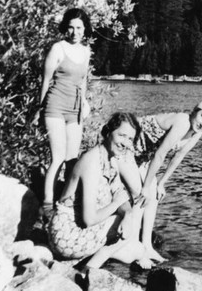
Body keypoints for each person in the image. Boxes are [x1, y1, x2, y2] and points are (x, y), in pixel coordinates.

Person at [119, 99, 202, 266]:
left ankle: (147, 245)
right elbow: (160, 154)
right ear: (195, 110)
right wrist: (146, 186)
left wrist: (161, 183)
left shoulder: (197, 132)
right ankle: (134, 247)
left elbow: (178, 156)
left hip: (144, 156)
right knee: (142, 195)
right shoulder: (182, 122)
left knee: (154, 196)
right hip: (128, 149)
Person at [47, 112, 149, 269]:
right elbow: (89, 219)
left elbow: (120, 195)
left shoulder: (111, 160)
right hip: (66, 233)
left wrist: (127, 214)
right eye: (122, 135)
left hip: (80, 229)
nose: (126, 143)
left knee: (135, 243)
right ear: (108, 132)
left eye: (130, 139)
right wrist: (116, 206)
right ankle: (88, 270)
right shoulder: (92, 162)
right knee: (129, 231)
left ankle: (84, 263)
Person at [34, 8, 92, 219]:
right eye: (71, 27)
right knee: (57, 157)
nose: (74, 32)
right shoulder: (57, 49)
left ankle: (65, 202)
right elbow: (46, 81)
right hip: (55, 106)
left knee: (72, 159)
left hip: (74, 108)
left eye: (79, 28)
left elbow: (83, 81)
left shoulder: (86, 52)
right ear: (65, 28)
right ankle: (47, 205)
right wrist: (41, 111)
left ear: (85, 29)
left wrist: (84, 103)